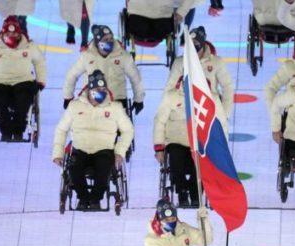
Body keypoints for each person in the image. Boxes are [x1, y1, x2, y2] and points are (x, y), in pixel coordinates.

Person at [52, 71, 135, 211]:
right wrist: (57, 154)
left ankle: (96, 198)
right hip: (80, 149)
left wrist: (120, 152)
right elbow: (61, 129)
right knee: (73, 166)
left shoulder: (115, 108)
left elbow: (128, 130)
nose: (100, 92)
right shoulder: (75, 106)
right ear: (89, 89)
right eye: (97, 89)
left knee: (104, 166)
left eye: (103, 89)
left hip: (104, 150)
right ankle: (83, 198)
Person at [0, 16, 47, 140]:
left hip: (23, 81)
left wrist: (41, 81)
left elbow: (40, 62)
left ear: (19, 33)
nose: (11, 35)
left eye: (14, 33)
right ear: (3, 33)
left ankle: (18, 130)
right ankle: (5, 130)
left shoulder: (30, 47)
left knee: (24, 99)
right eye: (8, 33)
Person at [154, 75, 219, 208]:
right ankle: (182, 192)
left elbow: (221, 121)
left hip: (199, 142)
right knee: (176, 157)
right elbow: (159, 122)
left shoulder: (209, 97)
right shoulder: (170, 97)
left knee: (202, 160)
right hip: (175, 140)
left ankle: (196, 193)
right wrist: (159, 148)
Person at [62, 25, 144, 114]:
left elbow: (135, 78)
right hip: (93, 101)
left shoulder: (123, 56)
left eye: (111, 39)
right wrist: (68, 97)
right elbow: (72, 75)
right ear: (97, 42)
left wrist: (138, 99)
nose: (109, 42)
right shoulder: (87, 56)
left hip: (117, 100)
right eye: (105, 40)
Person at [165, 26, 234, 120]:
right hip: (185, 111)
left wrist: (225, 114)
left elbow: (228, 87)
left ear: (202, 44)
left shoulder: (217, 62)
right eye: (190, 43)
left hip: (209, 111)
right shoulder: (179, 63)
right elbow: (169, 89)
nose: (193, 46)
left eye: (195, 43)